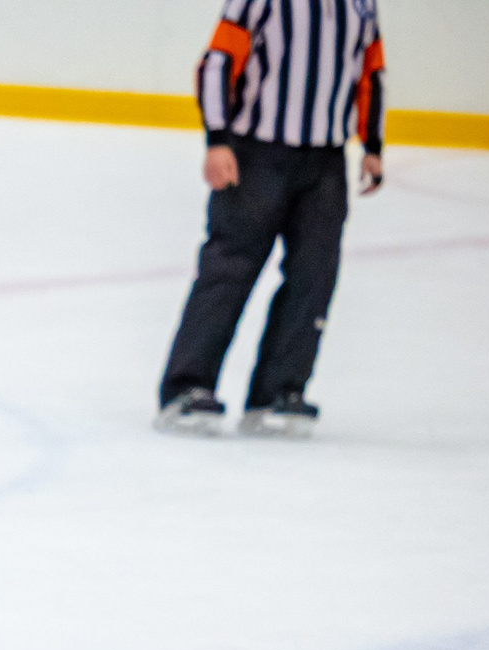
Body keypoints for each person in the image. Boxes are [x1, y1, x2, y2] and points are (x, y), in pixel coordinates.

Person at [157, 0, 386, 437]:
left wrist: (372, 144)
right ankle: (187, 386)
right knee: (229, 269)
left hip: (325, 164)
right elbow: (217, 63)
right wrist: (217, 140)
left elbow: (370, 72)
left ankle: (279, 391)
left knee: (313, 277)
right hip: (255, 156)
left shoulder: (362, 4)